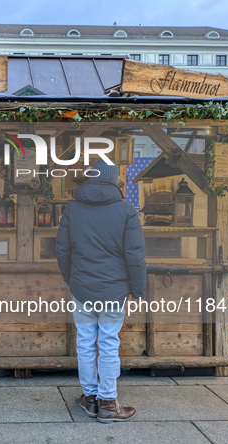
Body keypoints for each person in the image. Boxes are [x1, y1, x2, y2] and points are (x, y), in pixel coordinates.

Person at [55, 159, 146, 423]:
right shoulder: (127, 210)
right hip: (114, 289)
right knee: (108, 343)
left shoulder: (73, 208)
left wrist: (70, 279)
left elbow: (61, 248)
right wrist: (138, 290)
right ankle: (108, 403)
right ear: (115, 180)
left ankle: (90, 398)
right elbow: (135, 255)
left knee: (84, 342)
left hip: (82, 286)